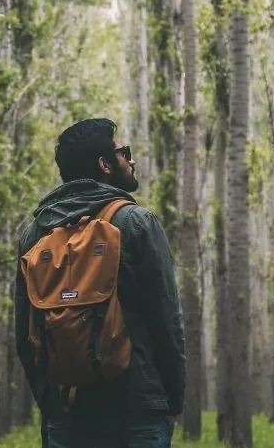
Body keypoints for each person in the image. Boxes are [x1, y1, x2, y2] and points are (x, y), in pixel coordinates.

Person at [14, 118, 186, 448]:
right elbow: (166, 321)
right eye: (125, 152)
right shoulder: (136, 222)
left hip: (68, 410)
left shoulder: (35, 234)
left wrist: (50, 401)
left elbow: (25, 333)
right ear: (105, 164)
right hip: (137, 410)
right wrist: (169, 399)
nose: (131, 160)